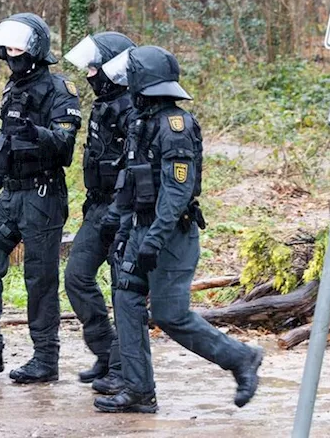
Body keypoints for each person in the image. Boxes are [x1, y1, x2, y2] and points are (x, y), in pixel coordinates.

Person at [95, 46, 262, 414]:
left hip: (171, 236)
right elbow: (131, 184)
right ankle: (139, 391)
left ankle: (241, 357)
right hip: (141, 230)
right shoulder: (140, 122)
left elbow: (177, 190)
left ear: (145, 82)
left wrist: (153, 238)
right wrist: (123, 230)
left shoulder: (176, 126)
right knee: (125, 302)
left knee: (171, 315)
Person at [0, 13, 81, 384]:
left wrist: (36, 131)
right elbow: (3, 149)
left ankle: (45, 358)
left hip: (44, 194)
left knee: (39, 279)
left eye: (18, 46)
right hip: (11, 192)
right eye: (7, 47)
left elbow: (65, 144)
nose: (11, 52)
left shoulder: (60, 90)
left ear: (36, 47)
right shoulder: (13, 89)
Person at [62, 32, 136, 386]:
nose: (89, 73)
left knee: (124, 290)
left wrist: (120, 211)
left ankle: (123, 369)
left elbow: (135, 168)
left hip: (125, 211)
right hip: (97, 208)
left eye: (95, 66)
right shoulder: (103, 104)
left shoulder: (134, 107)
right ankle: (105, 352)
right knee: (76, 276)